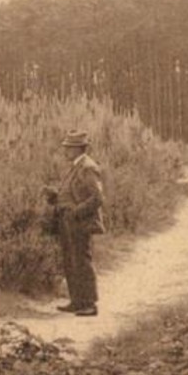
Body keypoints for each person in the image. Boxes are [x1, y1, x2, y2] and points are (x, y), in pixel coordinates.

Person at [43, 129, 105, 316]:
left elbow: (97, 198)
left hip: (79, 221)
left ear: (79, 149)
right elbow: (73, 193)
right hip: (68, 220)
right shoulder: (76, 166)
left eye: (69, 147)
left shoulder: (88, 167)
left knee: (82, 261)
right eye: (66, 147)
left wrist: (76, 213)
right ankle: (77, 301)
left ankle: (89, 304)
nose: (66, 151)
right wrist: (55, 196)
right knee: (71, 261)